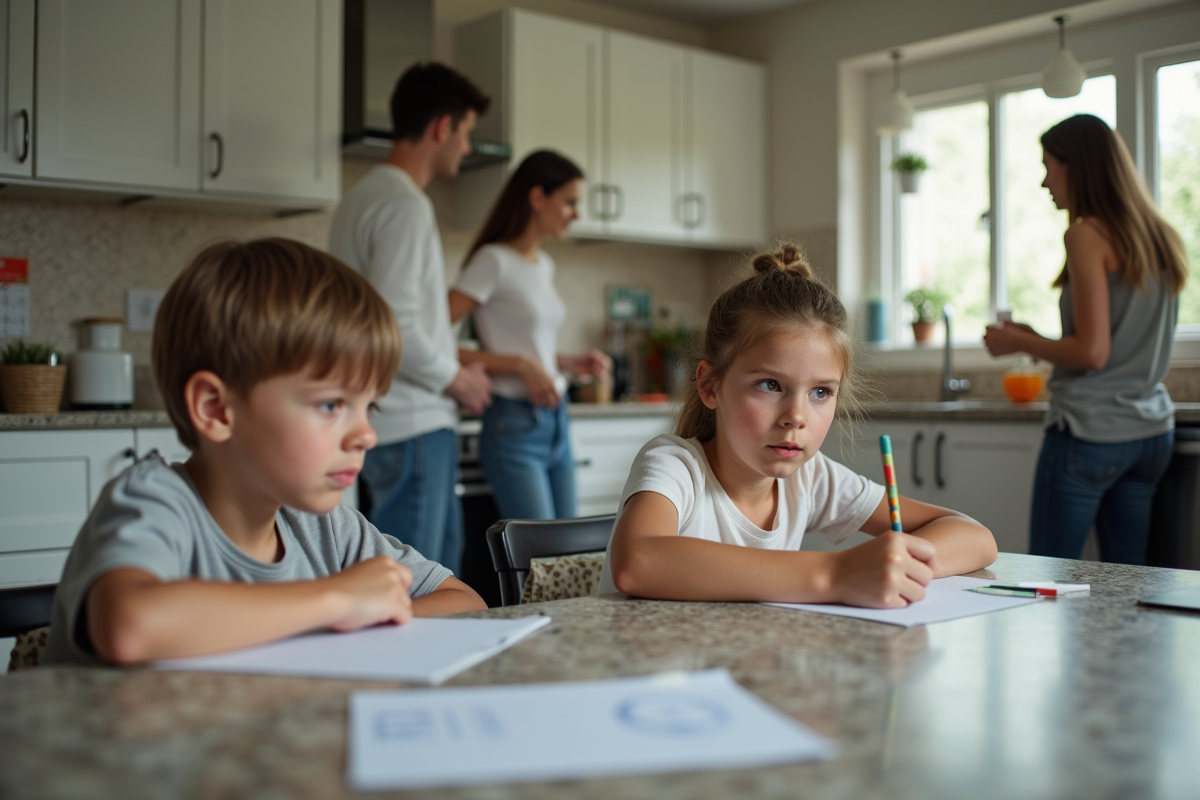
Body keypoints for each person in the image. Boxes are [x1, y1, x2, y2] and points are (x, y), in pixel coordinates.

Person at [43, 239, 485, 666]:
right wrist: (337, 600)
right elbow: (130, 626)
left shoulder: (324, 526)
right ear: (216, 409)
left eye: (369, 406)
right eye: (331, 405)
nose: (366, 434)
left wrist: (358, 619)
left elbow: (465, 601)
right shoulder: (153, 502)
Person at [600, 244, 997, 605]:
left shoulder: (810, 478)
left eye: (821, 392)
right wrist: (835, 574)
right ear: (710, 386)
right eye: (770, 385)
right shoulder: (675, 466)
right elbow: (638, 561)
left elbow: (975, 537)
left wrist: (902, 565)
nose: (796, 416)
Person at [984, 114, 1188, 565]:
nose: (1044, 182)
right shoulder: (1161, 237)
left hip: (1091, 430)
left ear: (1075, 166)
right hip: (1151, 433)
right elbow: (1113, 342)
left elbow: (1092, 353)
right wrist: (1037, 338)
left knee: (1048, 574)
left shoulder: (1085, 234)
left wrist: (1021, 344)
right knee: (1130, 582)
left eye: (1048, 166)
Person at [329, 63, 492, 575]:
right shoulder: (405, 205)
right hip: (414, 423)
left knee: (420, 575)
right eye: (465, 133)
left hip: (385, 416)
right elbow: (394, 321)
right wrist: (457, 377)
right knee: (419, 584)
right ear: (442, 127)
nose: (466, 149)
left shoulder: (356, 200)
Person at [448, 151, 611, 519]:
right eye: (569, 202)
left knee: (568, 553)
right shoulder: (492, 261)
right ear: (537, 198)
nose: (576, 214)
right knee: (537, 558)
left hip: (557, 420)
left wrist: (568, 361)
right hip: (514, 426)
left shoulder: (543, 265)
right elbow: (434, 337)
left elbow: (529, 344)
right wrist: (520, 366)